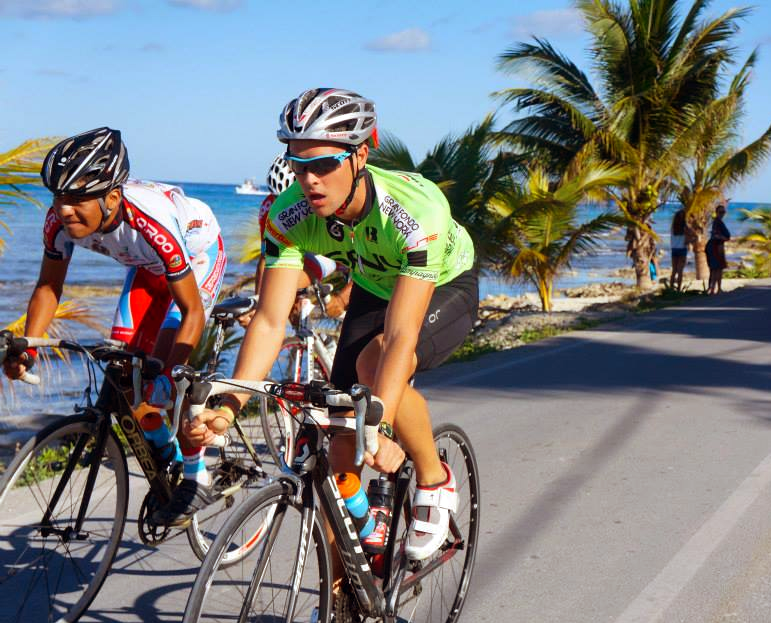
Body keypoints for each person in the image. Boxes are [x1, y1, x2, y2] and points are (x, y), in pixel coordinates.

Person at [186, 88, 478, 564]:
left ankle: (433, 478)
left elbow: (401, 336)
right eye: (298, 166)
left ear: (361, 154)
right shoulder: (288, 216)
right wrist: (231, 402)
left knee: (373, 367)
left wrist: (377, 426)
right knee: (337, 447)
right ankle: (347, 583)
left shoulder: (412, 211)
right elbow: (269, 319)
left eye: (323, 165)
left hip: (444, 284)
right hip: (374, 286)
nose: (309, 180)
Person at [2, 127, 227, 526]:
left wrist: (173, 374)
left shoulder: (150, 221)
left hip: (195, 259)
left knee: (166, 379)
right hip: (146, 268)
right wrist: (29, 347)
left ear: (111, 198)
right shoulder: (57, 222)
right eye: (57, 197)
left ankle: (196, 476)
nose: (63, 209)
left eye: (74, 199)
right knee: (122, 370)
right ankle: (163, 452)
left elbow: (191, 311)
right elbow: (49, 286)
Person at [237, 154, 352, 329]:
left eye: (293, 198)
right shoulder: (270, 208)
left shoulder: (327, 201)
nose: (285, 206)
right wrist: (258, 305)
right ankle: (306, 343)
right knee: (279, 300)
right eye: (278, 199)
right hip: (305, 251)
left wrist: (343, 298)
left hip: (334, 256)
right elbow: (267, 257)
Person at [705, 204, 731, 294]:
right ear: (716, 213)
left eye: (723, 212)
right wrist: (723, 238)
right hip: (715, 246)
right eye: (720, 212)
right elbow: (718, 235)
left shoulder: (717, 222)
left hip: (716, 246)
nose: (722, 214)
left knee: (716, 268)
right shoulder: (717, 222)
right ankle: (713, 288)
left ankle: (714, 288)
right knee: (716, 268)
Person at [669, 208, 689, 290]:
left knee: (674, 270)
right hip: (682, 249)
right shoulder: (685, 228)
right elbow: (693, 235)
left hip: (674, 249)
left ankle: (670, 288)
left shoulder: (673, 227)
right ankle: (678, 289)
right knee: (680, 271)